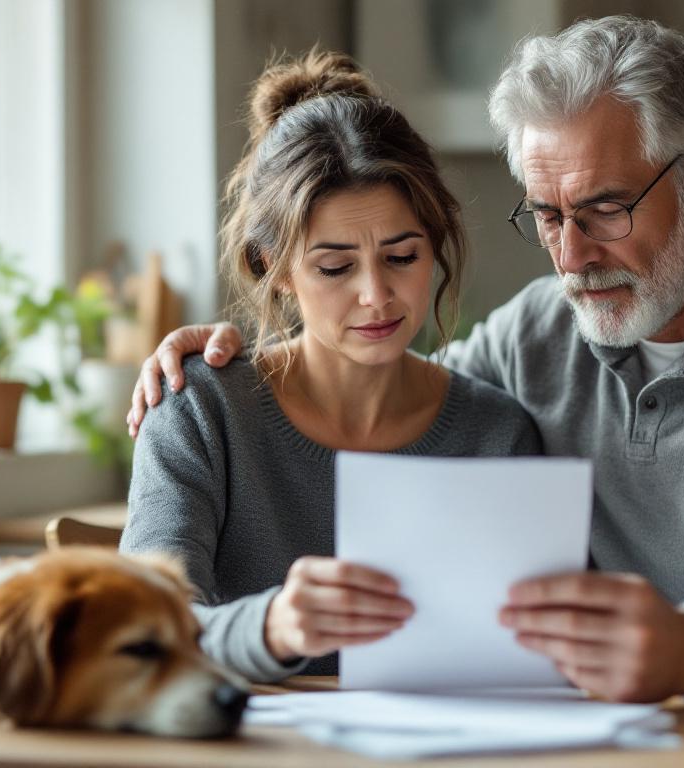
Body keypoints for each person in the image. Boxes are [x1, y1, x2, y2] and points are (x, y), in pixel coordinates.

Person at [128, 16, 684, 702]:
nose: (571, 257)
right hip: (655, 737)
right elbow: (380, 378)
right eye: (546, 215)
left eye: (604, 209)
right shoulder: (542, 334)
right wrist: (221, 361)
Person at [119, 50, 542, 683]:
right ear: (275, 269)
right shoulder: (200, 410)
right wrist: (273, 628)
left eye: (403, 257)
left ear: (435, 247)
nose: (376, 295)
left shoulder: (497, 434)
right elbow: (143, 626)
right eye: (335, 267)